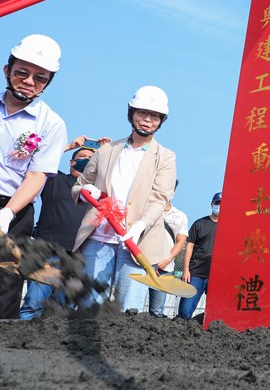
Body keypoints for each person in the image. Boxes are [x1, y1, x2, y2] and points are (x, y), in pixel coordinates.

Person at [72, 86, 176, 312]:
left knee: (128, 310)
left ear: (161, 121)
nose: (148, 120)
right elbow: (79, 186)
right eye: (142, 113)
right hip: (98, 239)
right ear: (131, 114)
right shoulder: (107, 150)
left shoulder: (166, 157)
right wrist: (86, 191)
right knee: (90, 305)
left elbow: (160, 199)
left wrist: (140, 225)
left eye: (155, 116)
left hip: (137, 244)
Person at [0, 34, 67, 319]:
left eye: (40, 78)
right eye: (22, 72)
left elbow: (37, 175)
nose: (29, 81)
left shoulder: (51, 124)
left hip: (14, 208)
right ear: (7, 70)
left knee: (6, 281)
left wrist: (7, 213)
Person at [20, 136, 109, 319]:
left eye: (91, 158)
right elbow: (38, 161)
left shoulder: (96, 193)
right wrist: (69, 146)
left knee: (60, 310)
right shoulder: (55, 180)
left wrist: (105, 152)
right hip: (47, 252)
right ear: (71, 162)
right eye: (82, 156)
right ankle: (20, 342)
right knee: (34, 304)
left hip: (78, 257)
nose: (86, 160)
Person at [148, 180, 189, 317]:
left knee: (157, 310)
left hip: (164, 268)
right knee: (132, 306)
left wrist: (167, 259)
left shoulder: (180, 216)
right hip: (141, 264)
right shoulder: (145, 209)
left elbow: (181, 241)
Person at [177, 192, 220, 319]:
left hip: (217, 275)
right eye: (217, 203)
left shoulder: (228, 226)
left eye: (222, 204)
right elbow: (189, 246)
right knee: (185, 310)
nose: (219, 206)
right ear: (212, 204)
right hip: (196, 273)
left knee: (216, 313)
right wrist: (186, 270)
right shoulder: (200, 223)